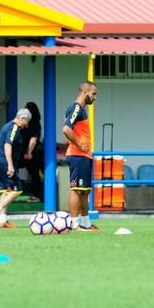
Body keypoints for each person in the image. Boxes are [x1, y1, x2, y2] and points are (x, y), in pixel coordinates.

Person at [62, 81, 99, 231]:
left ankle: (86, 223)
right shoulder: (76, 108)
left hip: (84, 156)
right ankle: (74, 223)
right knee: (77, 189)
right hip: (78, 155)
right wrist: (79, 144)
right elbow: (66, 129)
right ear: (85, 92)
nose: (95, 97)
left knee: (84, 190)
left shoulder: (80, 109)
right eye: (93, 94)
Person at [0, 108, 32, 228]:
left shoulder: (7, 126)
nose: (27, 125)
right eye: (26, 122)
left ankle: (2, 220)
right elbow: (8, 145)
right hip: (6, 163)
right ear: (21, 118)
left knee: (5, 192)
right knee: (17, 190)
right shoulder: (14, 128)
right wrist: (10, 165)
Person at [19, 101, 43, 202]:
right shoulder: (37, 123)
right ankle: (35, 194)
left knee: (34, 174)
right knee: (34, 174)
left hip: (31, 152)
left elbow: (33, 140)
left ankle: (36, 195)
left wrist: (29, 152)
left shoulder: (31, 124)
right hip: (33, 151)